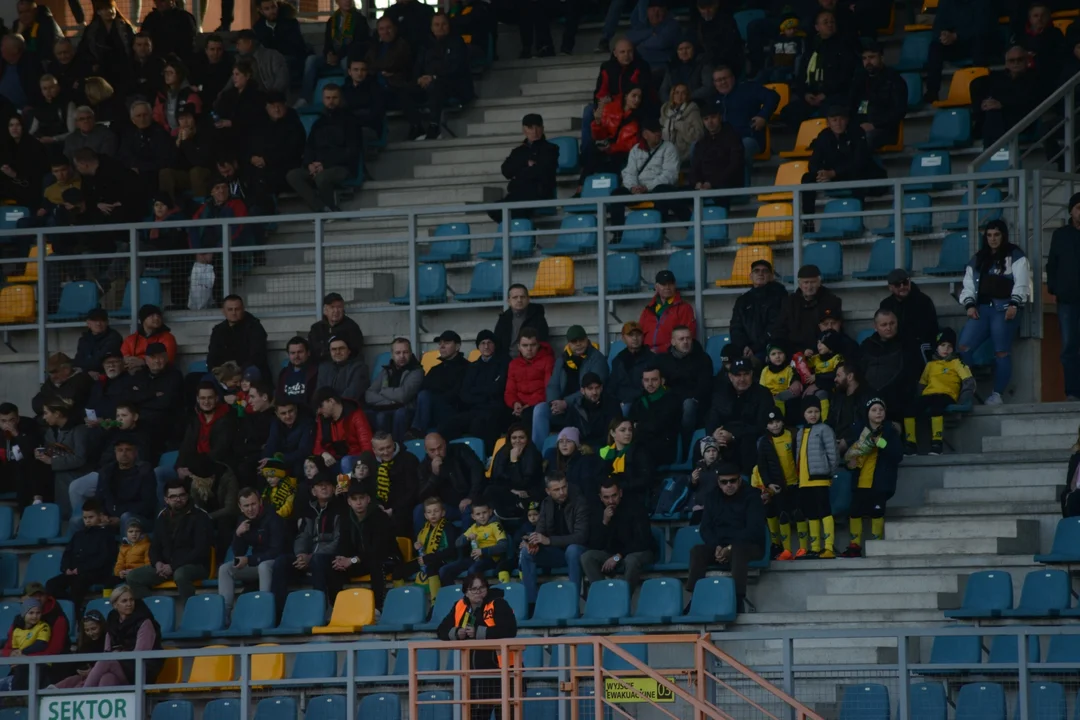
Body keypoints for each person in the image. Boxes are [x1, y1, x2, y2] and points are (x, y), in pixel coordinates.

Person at [958, 220, 1031, 405]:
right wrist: (969, 305)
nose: (993, 239)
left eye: (996, 235)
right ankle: (968, 389)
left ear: (1003, 235)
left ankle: (997, 394)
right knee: (964, 347)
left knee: (1001, 352)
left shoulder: (1015, 254)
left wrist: (1015, 304)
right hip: (981, 309)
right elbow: (967, 285)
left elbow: (1022, 282)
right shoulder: (978, 258)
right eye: (989, 235)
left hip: (1004, 308)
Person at [686, 462, 765, 613]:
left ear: (740, 480)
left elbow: (754, 529)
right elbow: (706, 528)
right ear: (718, 482)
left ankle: (737, 599)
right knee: (697, 551)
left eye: (733, 481)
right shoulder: (712, 497)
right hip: (720, 546)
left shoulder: (752, 495)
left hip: (749, 546)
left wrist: (729, 548)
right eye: (724, 482)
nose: (729, 485)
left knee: (738, 551)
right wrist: (717, 546)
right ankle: (695, 597)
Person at [437, 573, 518, 720]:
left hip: (503, 671)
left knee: (506, 714)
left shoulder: (498, 603)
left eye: (481, 588)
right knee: (477, 715)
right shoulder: (459, 606)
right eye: (473, 589)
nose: (478, 592)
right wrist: (456, 633)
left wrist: (479, 632)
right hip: (473, 674)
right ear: (466, 592)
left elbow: (509, 630)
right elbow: (441, 630)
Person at [126, 479, 212, 601]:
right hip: (167, 567)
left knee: (180, 574)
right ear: (166, 499)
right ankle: (153, 611)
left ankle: (191, 611)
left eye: (182, 495)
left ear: (187, 496)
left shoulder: (200, 516)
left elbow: (200, 550)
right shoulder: (162, 516)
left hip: (194, 565)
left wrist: (173, 566)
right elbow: (154, 546)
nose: (178, 499)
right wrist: (157, 563)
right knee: (133, 577)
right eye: (173, 496)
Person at [270, 472, 342, 614]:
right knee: (281, 562)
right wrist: (301, 555)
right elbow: (302, 536)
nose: (324, 488)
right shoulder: (309, 510)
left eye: (327, 485)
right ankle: (279, 613)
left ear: (333, 489)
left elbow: (339, 540)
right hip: (310, 556)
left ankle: (319, 610)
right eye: (320, 486)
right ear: (313, 491)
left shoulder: (341, 509)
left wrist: (311, 556)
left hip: (329, 558)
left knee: (317, 560)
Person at [841, 397, 903, 557]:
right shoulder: (858, 430)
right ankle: (854, 547)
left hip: (880, 483)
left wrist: (881, 443)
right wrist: (850, 462)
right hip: (861, 481)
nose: (878, 413)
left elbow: (897, 455)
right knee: (854, 512)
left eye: (881, 410)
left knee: (877, 512)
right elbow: (849, 455)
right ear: (867, 413)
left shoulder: (891, 431)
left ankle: (877, 545)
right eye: (874, 410)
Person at [799, 105, 884, 221]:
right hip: (834, 174)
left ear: (847, 120)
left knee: (858, 176)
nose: (838, 123)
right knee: (807, 178)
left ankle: (856, 220)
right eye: (834, 120)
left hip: (856, 173)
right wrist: (821, 173)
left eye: (841, 119)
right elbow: (813, 162)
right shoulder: (824, 136)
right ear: (828, 122)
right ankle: (808, 222)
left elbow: (859, 162)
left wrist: (834, 173)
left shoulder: (857, 132)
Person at [325, 479, 398, 612]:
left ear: (368, 499)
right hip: (360, 561)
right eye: (354, 499)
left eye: (361, 498)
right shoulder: (346, 518)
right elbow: (343, 542)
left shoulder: (380, 517)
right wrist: (341, 558)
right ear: (349, 501)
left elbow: (378, 549)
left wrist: (352, 560)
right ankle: (338, 609)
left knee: (377, 564)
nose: (358, 502)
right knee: (334, 567)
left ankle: (377, 608)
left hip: (386, 559)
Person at [518, 472, 588, 605]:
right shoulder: (546, 503)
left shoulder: (579, 502)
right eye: (556, 489)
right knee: (526, 552)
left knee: (572, 550)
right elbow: (540, 529)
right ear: (548, 491)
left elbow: (581, 536)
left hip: (578, 551)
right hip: (556, 553)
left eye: (564, 487)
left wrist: (549, 541)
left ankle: (574, 602)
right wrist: (532, 542)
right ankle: (531, 604)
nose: (562, 492)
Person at [287, 84, 359, 213]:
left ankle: (331, 207)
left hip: (341, 167)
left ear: (340, 98)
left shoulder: (350, 121)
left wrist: (324, 164)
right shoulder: (319, 123)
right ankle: (321, 209)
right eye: (327, 98)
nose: (331, 101)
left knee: (322, 178)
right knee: (293, 175)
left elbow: (351, 151)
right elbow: (309, 146)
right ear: (323, 99)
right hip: (317, 166)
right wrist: (309, 164)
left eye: (334, 98)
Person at [402, 13, 473, 142]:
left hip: (452, 85)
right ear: (431, 27)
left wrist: (434, 77)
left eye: (444, 24)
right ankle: (416, 126)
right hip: (427, 83)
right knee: (404, 90)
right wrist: (419, 78)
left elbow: (455, 67)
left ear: (449, 26)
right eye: (437, 24)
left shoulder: (457, 42)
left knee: (437, 86)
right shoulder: (425, 45)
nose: (440, 27)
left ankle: (434, 126)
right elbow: (418, 66)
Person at [904, 328, 974, 456]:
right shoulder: (930, 365)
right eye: (942, 345)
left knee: (937, 407)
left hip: (946, 395)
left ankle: (937, 443)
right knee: (910, 409)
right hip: (929, 394)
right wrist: (919, 400)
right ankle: (910, 443)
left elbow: (969, 381)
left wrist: (962, 400)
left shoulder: (957, 362)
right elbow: (922, 384)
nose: (946, 349)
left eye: (949, 346)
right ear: (937, 346)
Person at [534, 325, 608, 446]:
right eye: (574, 341)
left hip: (584, 406)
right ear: (568, 343)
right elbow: (553, 385)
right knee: (540, 409)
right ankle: (538, 453)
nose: (578, 344)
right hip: (561, 406)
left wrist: (565, 403)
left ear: (587, 340)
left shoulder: (597, 359)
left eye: (581, 340)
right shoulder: (562, 359)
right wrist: (554, 403)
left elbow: (592, 390)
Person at [609, 116, 683, 232]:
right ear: (645, 134)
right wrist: (633, 187)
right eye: (654, 131)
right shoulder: (635, 149)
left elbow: (670, 175)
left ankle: (659, 232)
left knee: (662, 190)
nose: (658, 133)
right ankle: (617, 234)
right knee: (616, 193)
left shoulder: (669, 148)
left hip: (655, 189)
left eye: (659, 130)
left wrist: (647, 187)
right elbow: (629, 172)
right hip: (637, 190)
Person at [438, 330, 509, 450]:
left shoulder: (504, 364)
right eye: (482, 343)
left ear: (494, 345)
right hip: (474, 409)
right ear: (478, 347)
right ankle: (453, 455)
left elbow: (497, 389)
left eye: (489, 342)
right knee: (447, 425)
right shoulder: (473, 366)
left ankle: (484, 457)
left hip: (494, 409)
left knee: (479, 424)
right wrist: (485, 394)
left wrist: (476, 391)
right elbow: (464, 393)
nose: (486, 346)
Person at [217, 488, 284, 616]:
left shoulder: (273, 518)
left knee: (264, 567)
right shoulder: (243, 521)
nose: (250, 509)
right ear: (240, 507)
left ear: (260, 502)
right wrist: (238, 534)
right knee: (225, 569)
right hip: (256, 563)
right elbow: (238, 553)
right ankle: (224, 615)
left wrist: (249, 560)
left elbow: (276, 551)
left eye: (253, 504)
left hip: (276, 563)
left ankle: (265, 611)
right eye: (246, 506)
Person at [581, 478, 654, 592]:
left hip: (639, 552)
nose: (611, 501)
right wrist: (604, 522)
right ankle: (603, 594)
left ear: (620, 493)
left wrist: (618, 556)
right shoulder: (598, 511)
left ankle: (623, 601)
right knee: (587, 557)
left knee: (631, 560)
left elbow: (642, 541)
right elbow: (596, 544)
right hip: (613, 554)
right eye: (606, 497)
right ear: (600, 497)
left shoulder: (635, 507)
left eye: (614, 495)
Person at [82, 585, 162, 688]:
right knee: (107, 678)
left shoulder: (145, 622)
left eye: (131, 600)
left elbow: (141, 654)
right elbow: (107, 650)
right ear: (115, 605)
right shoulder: (112, 621)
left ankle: (84, 693)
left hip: (141, 669)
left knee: (106, 661)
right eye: (124, 601)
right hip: (120, 667)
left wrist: (118, 654)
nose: (129, 604)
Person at [45, 499, 118, 609]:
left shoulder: (106, 535)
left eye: (91, 517)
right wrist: (66, 569)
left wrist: (81, 569)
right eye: (85, 518)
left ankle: (75, 610)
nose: (87, 521)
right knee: (51, 585)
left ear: (100, 516)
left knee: (77, 583)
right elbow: (67, 554)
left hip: (95, 573)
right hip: (74, 573)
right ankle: (69, 606)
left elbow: (104, 558)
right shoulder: (78, 535)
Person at [923, 0, 1001, 104]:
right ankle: (932, 92)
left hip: (981, 44)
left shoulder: (983, 3)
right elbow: (938, 26)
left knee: (979, 42)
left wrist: (956, 36)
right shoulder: (946, 2)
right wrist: (944, 35)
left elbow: (984, 27)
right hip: (956, 45)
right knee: (935, 47)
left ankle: (979, 91)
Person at [706, 359, 775, 474]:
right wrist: (714, 435)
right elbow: (712, 417)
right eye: (737, 375)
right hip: (722, 439)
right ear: (730, 376)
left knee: (747, 443)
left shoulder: (763, 393)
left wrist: (733, 436)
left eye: (746, 374)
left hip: (748, 438)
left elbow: (762, 425)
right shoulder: (722, 393)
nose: (742, 379)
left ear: (752, 374)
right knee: (702, 443)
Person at [489, 113, 559, 222]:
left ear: (543, 128)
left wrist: (520, 172)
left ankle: (520, 233)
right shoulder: (518, 151)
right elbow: (506, 171)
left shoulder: (551, 149)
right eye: (530, 128)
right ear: (524, 130)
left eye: (537, 127)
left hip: (539, 192)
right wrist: (526, 164)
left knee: (516, 210)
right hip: (518, 193)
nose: (534, 131)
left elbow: (542, 172)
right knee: (493, 209)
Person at [701, 66, 780, 162]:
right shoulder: (713, 98)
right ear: (714, 83)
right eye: (718, 80)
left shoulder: (748, 88)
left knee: (739, 150)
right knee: (696, 147)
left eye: (725, 78)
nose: (722, 82)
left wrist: (763, 116)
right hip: (721, 139)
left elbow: (773, 96)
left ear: (733, 78)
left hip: (747, 137)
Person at [792, 397, 837, 558]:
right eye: (809, 412)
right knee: (811, 512)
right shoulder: (800, 432)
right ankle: (815, 546)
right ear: (803, 414)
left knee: (824, 510)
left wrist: (830, 472)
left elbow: (833, 453)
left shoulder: (825, 429)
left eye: (816, 411)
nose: (813, 415)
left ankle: (829, 546)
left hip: (820, 477)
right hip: (804, 480)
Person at [302, 0, 369, 106]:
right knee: (311, 60)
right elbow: (327, 42)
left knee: (345, 62)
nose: (347, 2)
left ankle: (349, 97)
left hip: (349, 56)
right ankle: (305, 98)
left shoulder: (360, 20)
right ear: (337, 2)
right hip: (334, 56)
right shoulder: (332, 20)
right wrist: (328, 54)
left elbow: (358, 45)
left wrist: (338, 56)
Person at [859, 308, 921, 422]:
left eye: (892, 323)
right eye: (884, 325)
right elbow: (859, 371)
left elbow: (911, 373)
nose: (889, 328)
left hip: (897, 395)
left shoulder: (907, 344)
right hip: (869, 395)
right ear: (876, 326)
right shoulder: (867, 345)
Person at [971, 46, 1042, 146]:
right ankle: (993, 153)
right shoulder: (998, 78)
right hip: (1000, 120)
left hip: (1023, 120)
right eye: (1012, 60)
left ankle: (992, 153)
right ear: (1006, 64)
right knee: (992, 113)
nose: (1016, 63)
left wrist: (1002, 103)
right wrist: (984, 104)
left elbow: (1029, 100)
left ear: (1027, 61)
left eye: (1020, 59)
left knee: (994, 115)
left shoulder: (1035, 78)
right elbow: (976, 84)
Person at [751, 409, 798, 559]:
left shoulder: (793, 435)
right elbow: (762, 466)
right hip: (778, 486)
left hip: (796, 482)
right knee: (780, 514)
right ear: (766, 426)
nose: (775, 425)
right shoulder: (764, 442)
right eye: (771, 423)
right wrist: (768, 484)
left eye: (777, 421)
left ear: (783, 422)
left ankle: (802, 548)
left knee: (799, 514)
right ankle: (782, 548)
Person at [416, 432, 486, 527]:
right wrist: (434, 475)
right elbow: (422, 496)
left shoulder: (460, 450)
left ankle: (464, 541)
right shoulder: (423, 467)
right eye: (432, 450)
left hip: (468, 501)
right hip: (443, 507)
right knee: (419, 510)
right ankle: (421, 541)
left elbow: (478, 469)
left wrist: (471, 497)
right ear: (426, 450)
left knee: (470, 510)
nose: (437, 453)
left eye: (440, 448)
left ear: (445, 443)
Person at [848, 39, 906, 151]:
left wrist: (875, 124)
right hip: (860, 128)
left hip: (885, 130)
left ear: (882, 58)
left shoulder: (894, 80)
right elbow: (851, 107)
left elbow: (899, 111)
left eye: (872, 57)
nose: (868, 62)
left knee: (864, 139)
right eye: (864, 58)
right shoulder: (859, 80)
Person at [1049, 192, 1080, 400]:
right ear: (1071, 210)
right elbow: (1052, 264)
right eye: (1079, 207)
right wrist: (1054, 289)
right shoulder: (1060, 235)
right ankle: (1072, 392)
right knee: (1069, 347)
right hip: (1067, 301)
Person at [36, 400, 90, 518]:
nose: (44, 417)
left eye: (46, 413)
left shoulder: (79, 430)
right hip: (58, 475)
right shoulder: (51, 431)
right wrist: (42, 454)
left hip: (76, 475)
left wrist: (52, 461)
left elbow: (80, 458)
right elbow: (49, 449)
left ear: (57, 414)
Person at [657, 326, 713, 437]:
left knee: (688, 405)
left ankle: (686, 444)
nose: (685, 342)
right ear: (673, 342)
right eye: (681, 339)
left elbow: (704, 387)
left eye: (688, 338)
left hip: (695, 402)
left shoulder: (703, 359)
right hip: (672, 399)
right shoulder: (663, 360)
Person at [361, 431, 419, 538]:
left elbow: (413, 491)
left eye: (389, 447)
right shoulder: (370, 463)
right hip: (378, 507)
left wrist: (393, 509)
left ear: (394, 444)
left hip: (403, 508)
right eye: (381, 449)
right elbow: (367, 489)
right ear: (374, 450)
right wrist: (376, 506)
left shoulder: (409, 459)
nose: (386, 452)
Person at [777, 264, 842, 357]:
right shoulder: (789, 302)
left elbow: (835, 331)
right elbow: (781, 329)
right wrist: (800, 351)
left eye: (813, 282)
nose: (809, 286)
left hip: (825, 351)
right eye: (806, 282)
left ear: (819, 282)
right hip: (795, 352)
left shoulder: (832, 301)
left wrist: (822, 347)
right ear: (800, 284)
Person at [581, 85, 643, 183]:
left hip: (622, 153)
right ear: (626, 96)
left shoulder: (639, 119)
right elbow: (599, 136)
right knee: (592, 149)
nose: (637, 100)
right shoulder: (610, 108)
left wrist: (612, 148)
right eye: (634, 96)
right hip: (606, 148)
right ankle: (582, 186)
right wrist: (597, 122)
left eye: (639, 97)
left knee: (616, 158)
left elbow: (633, 144)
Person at [366, 337, 423, 441]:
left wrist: (383, 390)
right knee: (380, 416)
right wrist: (391, 401)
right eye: (398, 353)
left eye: (405, 352)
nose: (402, 356)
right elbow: (369, 394)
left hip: (407, 410)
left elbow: (403, 396)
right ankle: (383, 448)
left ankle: (398, 446)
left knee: (400, 414)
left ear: (410, 353)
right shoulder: (386, 371)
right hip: (386, 409)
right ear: (392, 355)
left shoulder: (416, 371)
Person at [412, 331, 468, 436]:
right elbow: (422, 389)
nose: (441, 346)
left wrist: (436, 395)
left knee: (426, 396)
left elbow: (459, 394)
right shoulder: (435, 369)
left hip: (454, 412)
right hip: (432, 411)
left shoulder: (467, 368)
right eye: (440, 343)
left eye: (446, 343)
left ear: (457, 346)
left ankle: (417, 432)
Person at [878, 269, 939, 365]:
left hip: (918, 346)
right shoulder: (886, 304)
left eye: (905, 283)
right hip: (894, 345)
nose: (902, 287)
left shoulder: (923, 301)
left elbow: (930, 329)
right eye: (898, 285)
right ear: (890, 287)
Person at [93, 439, 157, 531]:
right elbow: (99, 498)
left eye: (128, 450)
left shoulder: (145, 471)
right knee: (79, 521)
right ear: (115, 452)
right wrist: (102, 515)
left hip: (137, 518)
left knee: (126, 518)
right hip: (109, 518)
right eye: (120, 450)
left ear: (135, 452)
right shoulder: (107, 471)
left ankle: (126, 545)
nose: (124, 454)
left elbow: (148, 504)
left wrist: (119, 517)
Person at [441, 499, 508, 584]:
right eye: (478, 514)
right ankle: (453, 595)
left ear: (490, 512)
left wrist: (483, 551)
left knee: (473, 570)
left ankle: (477, 594)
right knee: (445, 570)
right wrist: (467, 538)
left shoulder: (495, 525)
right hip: (474, 559)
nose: (482, 516)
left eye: (484, 512)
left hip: (491, 559)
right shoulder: (473, 527)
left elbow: (503, 546)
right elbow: (457, 543)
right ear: (473, 516)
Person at [730, 260, 786, 362]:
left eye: (764, 271)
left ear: (770, 276)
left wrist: (754, 348)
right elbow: (735, 327)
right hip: (746, 349)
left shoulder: (779, 296)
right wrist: (744, 346)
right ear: (751, 276)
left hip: (770, 348)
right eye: (757, 271)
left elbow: (775, 326)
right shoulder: (742, 300)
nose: (760, 273)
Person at [403, 496, 460, 596]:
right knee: (399, 571)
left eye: (436, 511)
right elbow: (418, 550)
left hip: (443, 560)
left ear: (443, 513)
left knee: (431, 567)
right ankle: (402, 599)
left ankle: (435, 602)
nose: (432, 514)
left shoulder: (449, 528)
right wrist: (416, 547)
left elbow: (452, 551)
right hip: (425, 558)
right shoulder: (424, 529)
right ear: (425, 515)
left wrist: (430, 558)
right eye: (429, 512)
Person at [74, 0, 135, 93]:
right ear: (98, 12)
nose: (110, 11)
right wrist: (92, 64)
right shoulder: (91, 31)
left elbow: (132, 46)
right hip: (101, 72)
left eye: (111, 8)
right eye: (105, 9)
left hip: (123, 70)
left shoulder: (125, 27)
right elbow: (83, 51)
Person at [687, 104, 745, 202]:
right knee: (673, 195)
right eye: (706, 119)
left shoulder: (733, 138)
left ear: (720, 117)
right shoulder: (701, 142)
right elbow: (694, 167)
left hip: (725, 184)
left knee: (720, 195)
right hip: (703, 185)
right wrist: (697, 182)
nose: (710, 122)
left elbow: (735, 166)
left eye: (713, 117)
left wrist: (712, 183)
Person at [488, 423, 544, 520]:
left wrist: (514, 461)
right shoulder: (503, 451)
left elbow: (523, 483)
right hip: (510, 490)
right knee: (490, 490)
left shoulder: (532, 454)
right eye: (514, 438)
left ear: (527, 439)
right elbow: (496, 477)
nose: (517, 441)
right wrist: (511, 490)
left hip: (527, 492)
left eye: (521, 437)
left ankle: (512, 514)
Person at [207, 295, 270, 381]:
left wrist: (235, 370)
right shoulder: (218, 330)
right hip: (224, 371)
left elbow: (257, 357)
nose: (233, 313)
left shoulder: (254, 327)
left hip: (245, 371)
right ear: (223, 311)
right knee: (195, 378)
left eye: (237, 309)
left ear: (243, 309)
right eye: (230, 309)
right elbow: (212, 356)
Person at [177, 381, 238, 470]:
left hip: (213, 468)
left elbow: (219, 452)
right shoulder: (195, 420)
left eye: (210, 398)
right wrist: (180, 467)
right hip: (192, 466)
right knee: (160, 473)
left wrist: (193, 468)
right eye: (202, 398)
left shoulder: (226, 421)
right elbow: (185, 447)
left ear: (216, 398)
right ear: (198, 399)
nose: (206, 401)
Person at [214, 58, 269, 151]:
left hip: (247, 138)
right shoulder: (227, 95)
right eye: (233, 74)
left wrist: (232, 123)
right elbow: (219, 111)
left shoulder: (258, 96)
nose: (234, 78)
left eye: (237, 74)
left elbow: (254, 119)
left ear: (247, 76)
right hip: (225, 135)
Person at [312, 386, 373, 471]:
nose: (319, 411)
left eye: (321, 406)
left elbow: (367, 446)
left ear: (331, 401)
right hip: (335, 460)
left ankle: (349, 484)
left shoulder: (355, 414)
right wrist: (324, 453)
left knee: (346, 461)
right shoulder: (322, 419)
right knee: (312, 462)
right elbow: (317, 445)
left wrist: (361, 464)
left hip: (356, 459)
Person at [598, 417, 655, 507]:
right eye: (623, 430)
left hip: (632, 496)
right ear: (613, 433)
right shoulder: (606, 453)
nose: (628, 433)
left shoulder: (638, 451)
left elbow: (645, 479)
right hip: (611, 497)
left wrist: (621, 486)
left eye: (630, 430)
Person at [0, 598, 54, 691]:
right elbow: (14, 648)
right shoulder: (17, 630)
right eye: (31, 613)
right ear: (24, 614)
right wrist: (15, 656)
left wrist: (22, 652)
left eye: (38, 613)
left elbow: (41, 644)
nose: (35, 616)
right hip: (20, 665)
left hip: (40, 665)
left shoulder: (43, 626)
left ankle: (18, 697)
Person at [639, 270, 697, 354]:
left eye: (670, 284)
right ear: (656, 286)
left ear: (675, 285)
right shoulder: (647, 310)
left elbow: (687, 337)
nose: (667, 287)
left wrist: (660, 350)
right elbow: (640, 334)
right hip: (648, 355)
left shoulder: (684, 308)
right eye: (663, 284)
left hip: (672, 355)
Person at [49, 609, 107, 689]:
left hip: (101, 675)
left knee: (81, 682)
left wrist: (92, 671)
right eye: (87, 630)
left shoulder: (106, 641)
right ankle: (53, 690)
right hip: (84, 676)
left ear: (101, 626)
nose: (90, 633)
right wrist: (79, 669)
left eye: (93, 629)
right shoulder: (85, 644)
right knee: (73, 678)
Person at [340, 59, 386, 158]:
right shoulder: (343, 90)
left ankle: (360, 170)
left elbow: (377, 112)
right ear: (349, 72)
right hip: (349, 126)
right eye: (356, 70)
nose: (359, 73)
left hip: (369, 127)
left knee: (357, 134)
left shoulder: (375, 88)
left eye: (363, 70)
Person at [253, 0, 308, 81]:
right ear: (261, 11)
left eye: (273, 7)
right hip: (269, 61)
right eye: (267, 9)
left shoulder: (290, 22)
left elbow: (296, 46)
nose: (272, 11)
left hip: (291, 58)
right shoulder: (258, 27)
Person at [0, 115, 47, 209]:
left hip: (29, 186)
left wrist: (15, 175)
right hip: (8, 183)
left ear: (23, 127)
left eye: (18, 125)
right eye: (11, 125)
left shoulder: (35, 145)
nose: (14, 128)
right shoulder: (5, 144)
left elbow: (37, 173)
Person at [565, 372, 622, 451]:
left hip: (605, 449)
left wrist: (592, 449)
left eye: (597, 388)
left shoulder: (612, 405)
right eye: (590, 388)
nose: (594, 392)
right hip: (580, 448)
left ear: (601, 388)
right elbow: (569, 432)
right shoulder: (575, 407)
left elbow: (613, 435)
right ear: (582, 390)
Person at [364, 16, 413, 99]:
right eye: (381, 29)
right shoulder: (375, 46)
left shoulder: (402, 45)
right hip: (375, 85)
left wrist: (377, 68)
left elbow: (390, 64)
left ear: (395, 29)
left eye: (388, 28)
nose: (385, 32)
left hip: (396, 86)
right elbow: (368, 64)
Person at [626, 0, 681, 74]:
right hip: (641, 66)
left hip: (663, 66)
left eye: (659, 10)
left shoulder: (672, 24)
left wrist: (640, 43)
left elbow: (661, 42)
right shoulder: (643, 24)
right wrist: (651, 32)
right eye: (653, 10)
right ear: (647, 11)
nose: (656, 14)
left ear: (665, 11)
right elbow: (630, 38)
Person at [494, 285, 549, 357]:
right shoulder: (503, 319)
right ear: (509, 301)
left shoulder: (537, 317)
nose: (519, 300)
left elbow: (542, 341)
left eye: (522, 297)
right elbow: (497, 344)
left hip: (532, 360)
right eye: (515, 297)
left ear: (528, 299)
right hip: (507, 361)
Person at [309, 292, 365, 362]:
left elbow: (355, 351)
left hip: (346, 367)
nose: (336, 311)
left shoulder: (352, 327)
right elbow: (313, 351)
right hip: (322, 366)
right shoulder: (316, 329)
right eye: (332, 307)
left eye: (339, 307)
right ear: (325, 310)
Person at [152, 57, 201, 137]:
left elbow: (194, 120)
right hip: (166, 134)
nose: (167, 75)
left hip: (186, 136)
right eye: (165, 72)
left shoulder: (190, 95)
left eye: (171, 73)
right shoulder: (162, 95)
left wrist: (177, 131)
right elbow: (156, 115)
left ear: (179, 74)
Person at [609, 322, 651, 412]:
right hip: (622, 402)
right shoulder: (618, 360)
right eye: (631, 335)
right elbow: (612, 387)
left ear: (643, 337)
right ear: (623, 338)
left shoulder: (652, 358)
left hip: (645, 402)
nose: (635, 338)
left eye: (638, 334)